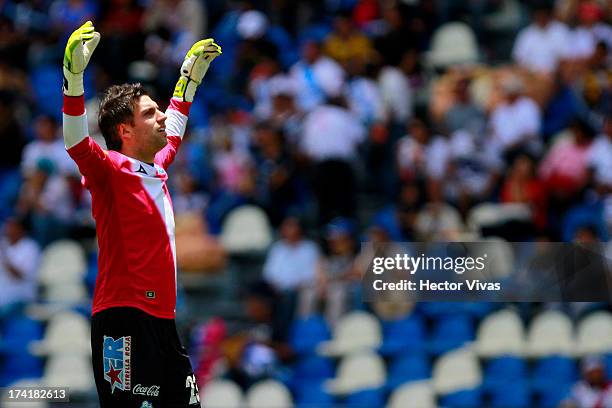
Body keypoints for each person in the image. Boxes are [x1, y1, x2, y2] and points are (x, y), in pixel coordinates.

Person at [61, 21, 221, 406]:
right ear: (125, 131)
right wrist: (73, 77)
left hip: (164, 322)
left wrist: (187, 83)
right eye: (151, 113)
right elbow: (76, 142)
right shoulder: (109, 169)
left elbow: (176, 130)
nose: (162, 116)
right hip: (123, 320)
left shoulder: (157, 166)